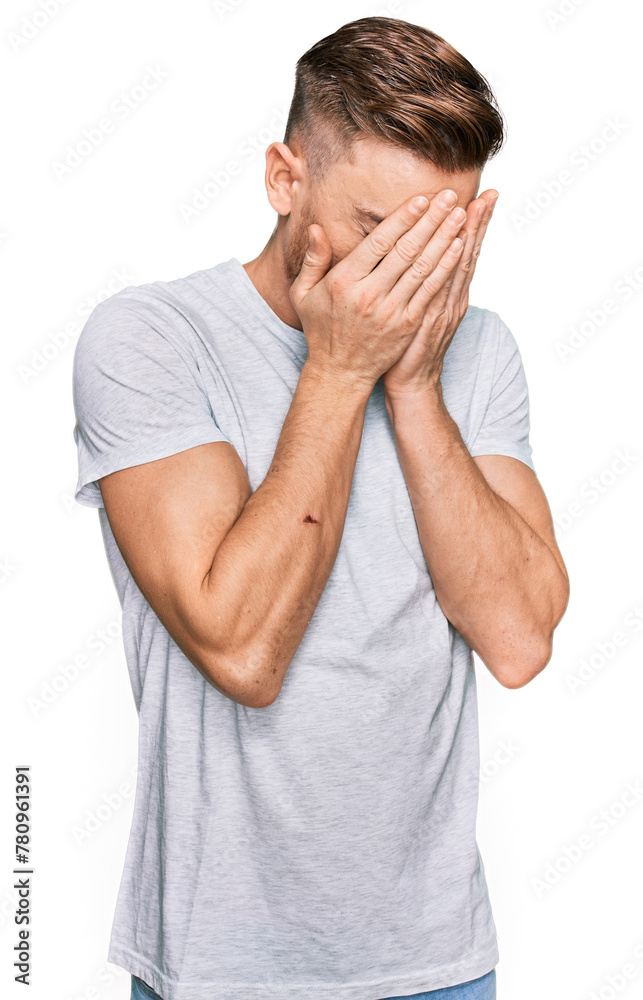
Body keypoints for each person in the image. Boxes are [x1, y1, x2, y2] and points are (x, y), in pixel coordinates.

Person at [71, 16, 569, 1000]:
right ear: (283, 179)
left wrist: (414, 386)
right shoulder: (151, 340)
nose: (409, 279)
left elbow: (518, 640)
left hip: (438, 964)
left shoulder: (477, 350)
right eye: (381, 234)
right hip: (223, 968)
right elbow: (242, 650)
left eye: (440, 242)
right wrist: (341, 373)